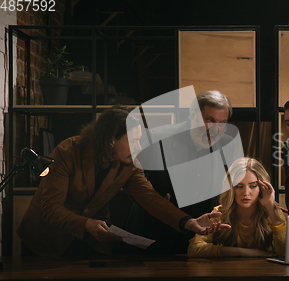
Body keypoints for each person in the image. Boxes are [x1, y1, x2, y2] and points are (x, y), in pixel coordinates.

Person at [17, 105, 229, 257]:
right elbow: (49, 208)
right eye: (134, 141)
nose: (139, 147)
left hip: (88, 243)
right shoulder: (68, 152)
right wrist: (86, 223)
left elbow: (150, 198)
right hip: (44, 242)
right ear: (111, 140)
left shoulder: (129, 162)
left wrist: (189, 222)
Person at [125, 90, 239, 253]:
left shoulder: (228, 144)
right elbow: (132, 184)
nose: (215, 129)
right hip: (153, 235)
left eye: (222, 123)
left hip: (198, 240)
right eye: (209, 120)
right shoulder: (157, 138)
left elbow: (229, 187)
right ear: (193, 115)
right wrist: (155, 195)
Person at [188, 157, 286, 257]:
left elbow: (285, 253)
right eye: (239, 186)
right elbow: (194, 249)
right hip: (225, 271)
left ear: (262, 187)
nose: (246, 193)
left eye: (252, 186)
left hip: (266, 272)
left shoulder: (272, 211)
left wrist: (271, 208)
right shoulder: (220, 213)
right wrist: (242, 252)